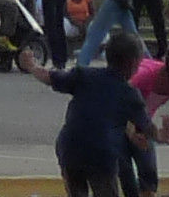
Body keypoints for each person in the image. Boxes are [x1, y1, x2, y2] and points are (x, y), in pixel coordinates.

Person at [19, 29, 153, 197]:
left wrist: (31, 66)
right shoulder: (130, 94)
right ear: (134, 64)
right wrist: (162, 132)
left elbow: (50, 77)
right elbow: (148, 129)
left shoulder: (84, 75)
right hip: (102, 155)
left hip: (70, 147)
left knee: (76, 192)